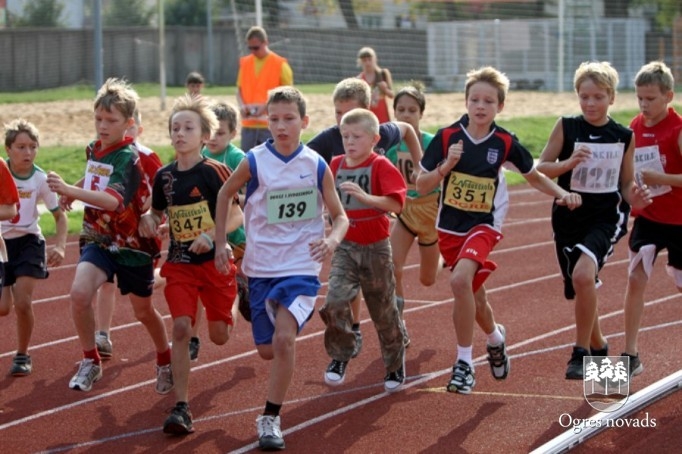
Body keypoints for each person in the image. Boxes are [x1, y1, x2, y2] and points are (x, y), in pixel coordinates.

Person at [416, 66, 583, 394]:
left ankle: (464, 363)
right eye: (474, 99)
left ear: (500, 107)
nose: (480, 106)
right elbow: (421, 186)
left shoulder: (505, 141)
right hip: (450, 227)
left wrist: (562, 194)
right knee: (474, 297)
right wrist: (446, 166)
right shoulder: (447, 137)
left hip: (484, 224)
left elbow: (533, 175)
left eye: (488, 101)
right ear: (465, 102)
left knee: (460, 281)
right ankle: (495, 338)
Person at [213, 86, 348, 451]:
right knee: (267, 350)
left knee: (285, 339)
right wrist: (220, 242)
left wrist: (332, 240)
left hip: (301, 268)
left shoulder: (316, 165)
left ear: (304, 122)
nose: (281, 126)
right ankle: (251, 299)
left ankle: (270, 417)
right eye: (274, 119)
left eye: (289, 119)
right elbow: (225, 194)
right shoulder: (255, 160)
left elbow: (340, 216)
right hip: (260, 268)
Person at [46, 77, 173, 394]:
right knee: (78, 294)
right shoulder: (96, 148)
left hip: (134, 246)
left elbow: (114, 200)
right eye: (98, 119)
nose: (102, 126)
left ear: (129, 124)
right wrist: (75, 192)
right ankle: (91, 360)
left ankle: (165, 358)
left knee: (143, 311)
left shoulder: (130, 157)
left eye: (110, 121)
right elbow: (95, 176)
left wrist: (69, 189)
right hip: (99, 238)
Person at [535, 61, 651, 380]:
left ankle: (580, 353)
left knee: (585, 277)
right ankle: (599, 347)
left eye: (598, 96)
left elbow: (626, 183)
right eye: (584, 96)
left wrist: (634, 197)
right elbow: (541, 168)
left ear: (611, 97)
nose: (590, 103)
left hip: (605, 217)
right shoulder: (566, 127)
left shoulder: (622, 136)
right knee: (580, 284)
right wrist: (568, 163)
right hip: (567, 218)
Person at [139, 94, 243, 435]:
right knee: (182, 328)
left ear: (204, 135)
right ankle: (181, 406)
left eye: (188, 127)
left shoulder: (215, 171)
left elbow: (237, 214)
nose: (180, 133)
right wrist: (149, 219)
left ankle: (238, 292)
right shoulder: (164, 177)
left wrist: (213, 237)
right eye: (175, 128)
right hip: (181, 262)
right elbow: (155, 211)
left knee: (220, 337)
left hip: (214, 263)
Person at [307, 77, 422, 357]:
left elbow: (407, 129)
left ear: (368, 111)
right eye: (338, 113)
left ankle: (396, 324)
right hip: (345, 229)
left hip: (377, 226)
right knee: (345, 284)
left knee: (385, 286)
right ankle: (355, 328)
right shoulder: (327, 139)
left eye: (350, 113)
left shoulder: (381, 132)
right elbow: (300, 159)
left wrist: (421, 166)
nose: (343, 121)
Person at [320, 107, 407, 392]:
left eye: (356, 136)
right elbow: (326, 199)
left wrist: (366, 197)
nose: (349, 142)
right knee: (334, 301)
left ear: (374, 138)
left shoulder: (380, 165)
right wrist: (326, 216)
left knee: (384, 312)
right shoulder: (334, 165)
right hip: (345, 245)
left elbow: (396, 205)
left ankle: (394, 363)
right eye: (345, 136)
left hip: (376, 248)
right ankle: (342, 353)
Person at [621, 61, 682, 378]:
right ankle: (630, 353)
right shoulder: (634, 126)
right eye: (639, 97)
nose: (644, 105)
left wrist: (661, 177)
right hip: (649, 217)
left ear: (668, 96)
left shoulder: (678, 130)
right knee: (635, 278)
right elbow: (628, 173)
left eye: (651, 98)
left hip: (680, 221)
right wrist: (632, 190)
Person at [94, 107, 164, 361]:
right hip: (109, 232)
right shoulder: (104, 154)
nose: (126, 134)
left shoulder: (146, 156)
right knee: (105, 282)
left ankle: (165, 275)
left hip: (140, 239)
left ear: (137, 128)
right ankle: (102, 334)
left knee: (142, 306)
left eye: (131, 129)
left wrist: (154, 216)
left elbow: (165, 189)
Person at [0, 119, 67, 377]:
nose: (27, 153)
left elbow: (60, 217)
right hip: (3, 244)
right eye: (20, 147)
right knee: (4, 307)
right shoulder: (1, 172)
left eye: (32, 146)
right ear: (8, 149)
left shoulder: (40, 178)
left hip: (29, 242)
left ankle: (22, 354)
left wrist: (60, 246)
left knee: (23, 301)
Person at [385, 82, 440, 348]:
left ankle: (440, 260)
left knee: (427, 280)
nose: (406, 115)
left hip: (431, 213)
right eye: (401, 110)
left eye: (412, 110)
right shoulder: (390, 147)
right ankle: (399, 325)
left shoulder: (432, 143)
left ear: (421, 114)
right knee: (392, 266)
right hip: (406, 213)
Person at [236, 26, 294, 152]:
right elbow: (239, 90)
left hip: (271, 125)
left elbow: (288, 95)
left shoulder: (280, 64)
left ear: (266, 42)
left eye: (256, 48)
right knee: (248, 165)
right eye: (250, 48)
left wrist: (265, 106)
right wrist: (242, 106)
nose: (253, 51)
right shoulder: (245, 63)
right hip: (248, 125)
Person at [357, 47, 394, 123]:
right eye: (364, 60)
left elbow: (392, 95)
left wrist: (385, 89)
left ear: (375, 59)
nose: (367, 63)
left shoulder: (382, 74)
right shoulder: (359, 79)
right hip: (367, 113)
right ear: (360, 62)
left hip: (382, 112)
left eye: (369, 59)